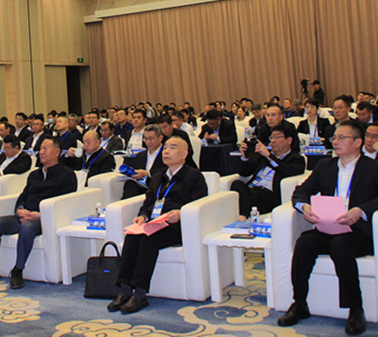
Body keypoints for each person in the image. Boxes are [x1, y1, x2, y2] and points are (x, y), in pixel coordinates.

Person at [278, 121, 378, 335]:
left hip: (358, 232)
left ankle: (355, 309)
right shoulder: (325, 166)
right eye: (334, 138)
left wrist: (360, 211)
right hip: (328, 228)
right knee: (304, 242)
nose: (336, 142)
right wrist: (304, 206)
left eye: (342, 138)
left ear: (358, 142)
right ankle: (300, 303)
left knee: (340, 246)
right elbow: (301, 191)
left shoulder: (373, 168)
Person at [108, 136, 208, 314]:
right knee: (132, 235)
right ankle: (124, 289)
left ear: (184, 154)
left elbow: (200, 204)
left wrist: (181, 213)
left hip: (178, 226)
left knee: (148, 239)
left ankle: (140, 293)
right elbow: (148, 202)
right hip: (154, 222)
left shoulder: (194, 176)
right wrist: (143, 216)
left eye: (173, 148)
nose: (166, 151)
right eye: (166, 148)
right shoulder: (158, 176)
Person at [0, 138, 76, 289]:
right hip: (24, 215)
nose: (41, 152)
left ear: (57, 152)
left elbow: (66, 202)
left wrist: (40, 214)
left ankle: (18, 270)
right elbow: (23, 195)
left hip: (44, 218)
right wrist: (20, 209)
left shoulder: (67, 175)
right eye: (41, 149)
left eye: (45, 148)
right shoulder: (34, 175)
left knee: (27, 228)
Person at [230, 125, 306, 219]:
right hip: (252, 190)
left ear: (289, 140)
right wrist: (244, 157)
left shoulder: (296, 159)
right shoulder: (263, 156)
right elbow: (244, 173)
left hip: (270, 196)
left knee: (240, 194)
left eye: (277, 137)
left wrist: (269, 156)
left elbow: (286, 171)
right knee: (237, 185)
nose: (273, 141)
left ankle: (242, 217)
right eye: (271, 137)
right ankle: (242, 216)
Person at [122, 125, 167, 200]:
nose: (148, 142)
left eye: (151, 139)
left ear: (160, 138)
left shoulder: (166, 154)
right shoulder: (141, 155)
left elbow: (166, 171)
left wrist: (147, 173)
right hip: (140, 185)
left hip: (156, 186)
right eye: (146, 139)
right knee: (129, 184)